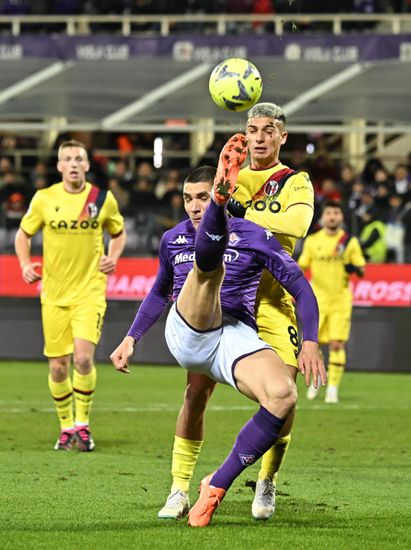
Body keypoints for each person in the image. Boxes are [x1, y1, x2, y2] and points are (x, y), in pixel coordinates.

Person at [110, 137, 326, 527]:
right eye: (189, 198)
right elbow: (159, 291)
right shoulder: (173, 239)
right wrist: (131, 337)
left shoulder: (256, 236)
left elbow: (301, 287)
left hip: (233, 335)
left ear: (223, 192)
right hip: (188, 330)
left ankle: (216, 486)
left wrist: (310, 340)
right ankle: (178, 489)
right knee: (208, 271)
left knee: (283, 395)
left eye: (203, 197)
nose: (193, 205)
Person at [158, 102, 315, 522]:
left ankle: (266, 480)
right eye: (253, 129)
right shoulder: (232, 174)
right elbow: (201, 220)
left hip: (276, 301)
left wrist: (235, 207)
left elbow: (295, 226)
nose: (260, 136)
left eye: (269, 129)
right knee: (195, 392)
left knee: (283, 394)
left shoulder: (294, 182)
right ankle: (179, 487)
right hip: (227, 298)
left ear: (283, 136)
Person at [15, 139, 126, 451]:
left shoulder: (102, 199)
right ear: (60, 166)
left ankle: (82, 425)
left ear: (87, 165)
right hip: (53, 294)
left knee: (82, 358)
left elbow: (118, 233)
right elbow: (23, 234)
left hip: (90, 292)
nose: (74, 163)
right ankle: (65, 428)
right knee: (58, 367)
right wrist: (24, 264)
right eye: (68, 159)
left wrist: (113, 257)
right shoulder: (44, 199)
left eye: (79, 158)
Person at [300, 201, 366, 404]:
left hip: (340, 300)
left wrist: (354, 269)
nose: (332, 216)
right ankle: (315, 381)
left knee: (337, 344)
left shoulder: (349, 242)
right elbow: (301, 267)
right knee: (313, 344)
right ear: (323, 216)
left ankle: (333, 389)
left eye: (336, 212)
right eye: (329, 212)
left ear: (341, 217)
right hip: (317, 301)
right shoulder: (312, 241)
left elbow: (361, 270)